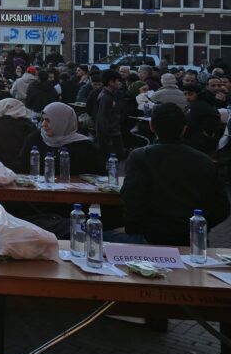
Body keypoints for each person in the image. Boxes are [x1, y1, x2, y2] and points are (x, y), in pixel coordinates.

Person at [121, 103, 230, 245]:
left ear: (152, 126)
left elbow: (132, 199)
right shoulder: (204, 160)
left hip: (149, 237)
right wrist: (200, 227)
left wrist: (134, 228)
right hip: (192, 239)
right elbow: (221, 207)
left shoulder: (140, 157)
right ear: (184, 128)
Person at [20, 102, 102, 176]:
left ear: (63, 121)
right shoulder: (35, 139)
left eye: (48, 120)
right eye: (43, 119)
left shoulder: (85, 146)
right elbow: (22, 168)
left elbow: (96, 176)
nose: (44, 124)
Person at [95, 69, 124, 161]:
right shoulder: (106, 98)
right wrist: (107, 138)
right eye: (117, 81)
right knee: (112, 161)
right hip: (111, 134)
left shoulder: (111, 95)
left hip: (114, 132)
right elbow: (102, 119)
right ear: (111, 82)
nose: (119, 83)